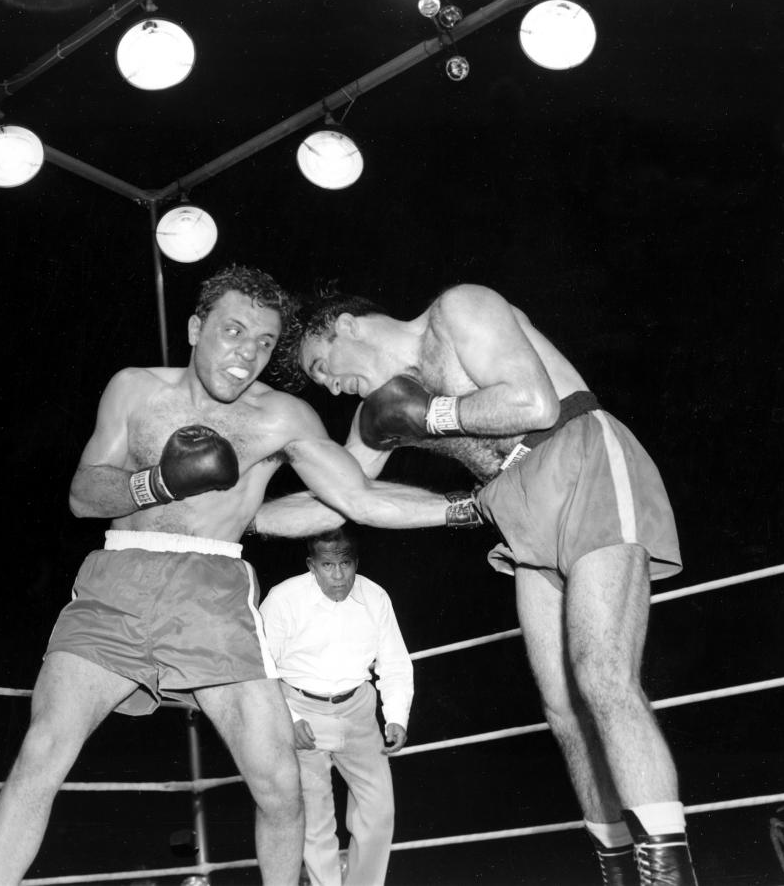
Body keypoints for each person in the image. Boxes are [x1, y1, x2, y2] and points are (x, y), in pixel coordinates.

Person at [0, 266, 477, 886]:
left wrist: (469, 507)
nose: (247, 354)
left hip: (215, 591)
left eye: (264, 343)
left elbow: (353, 497)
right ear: (194, 327)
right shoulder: (134, 390)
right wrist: (155, 481)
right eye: (234, 331)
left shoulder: (286, 418)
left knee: (280, 785)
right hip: (118, 577)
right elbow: (83, 493)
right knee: (41, 754)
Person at [280, 282, 696, 886]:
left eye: (323, 366)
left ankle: (671, 878)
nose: (330, 386)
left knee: (602, 675)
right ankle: (618, 873)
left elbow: (534, 403)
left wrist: (429, 415)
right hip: (511, 501)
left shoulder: (457, 311)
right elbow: (345, 502)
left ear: (345, 324)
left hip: (576, 453)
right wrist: (234, 515)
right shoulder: (377, 414)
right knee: (563, 708)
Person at [259, 527, 413, 886]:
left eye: (345, 563)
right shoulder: (283, 600)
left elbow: (394, 663)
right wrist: (290, 717)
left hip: (358, 709)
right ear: (312, 564)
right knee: (315, 818)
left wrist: (396, 716)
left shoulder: (375, 597)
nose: (339, 575)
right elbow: (262, 668)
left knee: (379, 813)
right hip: (300, 707)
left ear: (356, 561)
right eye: (328, 565)